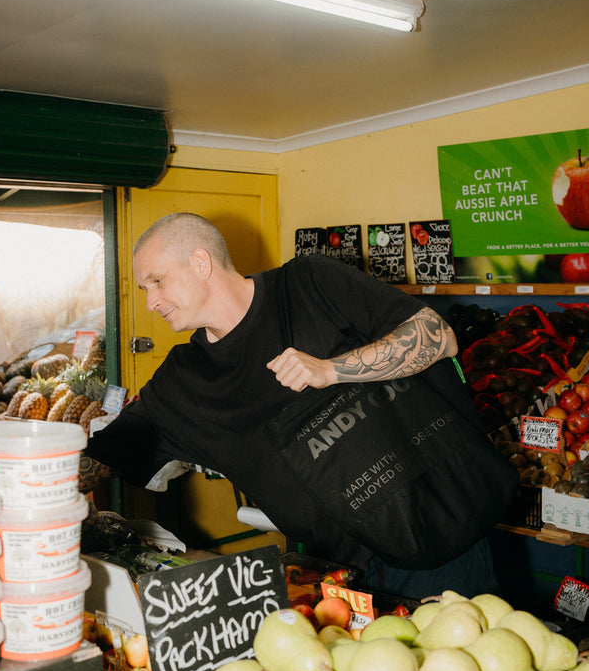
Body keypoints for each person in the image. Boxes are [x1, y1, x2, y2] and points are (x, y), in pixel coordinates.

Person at [81, 212, 516, 600]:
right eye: (144, 289)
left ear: (200, 262)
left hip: (440, 546)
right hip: (332, 579)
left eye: (157, 281)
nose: (151, 301)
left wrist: (332, 370)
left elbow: (437, 335)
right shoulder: (183, 382)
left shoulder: (308, 284)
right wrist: (29, 485)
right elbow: (105, 456)